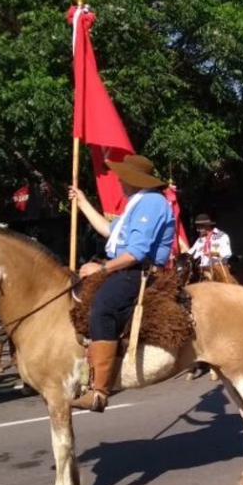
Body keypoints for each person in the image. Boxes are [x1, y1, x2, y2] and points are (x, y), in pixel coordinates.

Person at [68, 154, 175, 412]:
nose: (118, 180)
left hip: (138, 272)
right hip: (125, 268)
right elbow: (109, 231)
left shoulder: (151, 202)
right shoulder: (135, 204)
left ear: (133, 180)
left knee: (103, 306)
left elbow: (136, 253)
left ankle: (99, 391)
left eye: (122, 176)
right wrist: (82, 202)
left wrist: (101, 268)